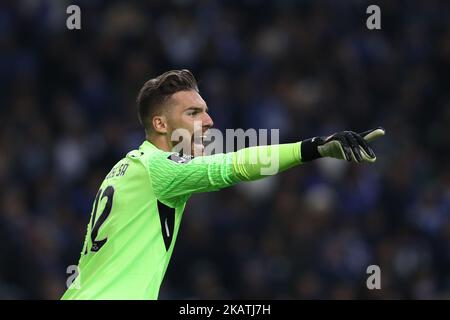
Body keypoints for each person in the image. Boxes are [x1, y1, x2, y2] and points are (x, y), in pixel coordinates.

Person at [61, 69, 385, 299]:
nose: (209, 121)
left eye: (206, 111)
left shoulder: (126, 167)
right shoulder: (160, 168)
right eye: (193, 113)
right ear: (160, 123)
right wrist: (314, 147)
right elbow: (235, 166)